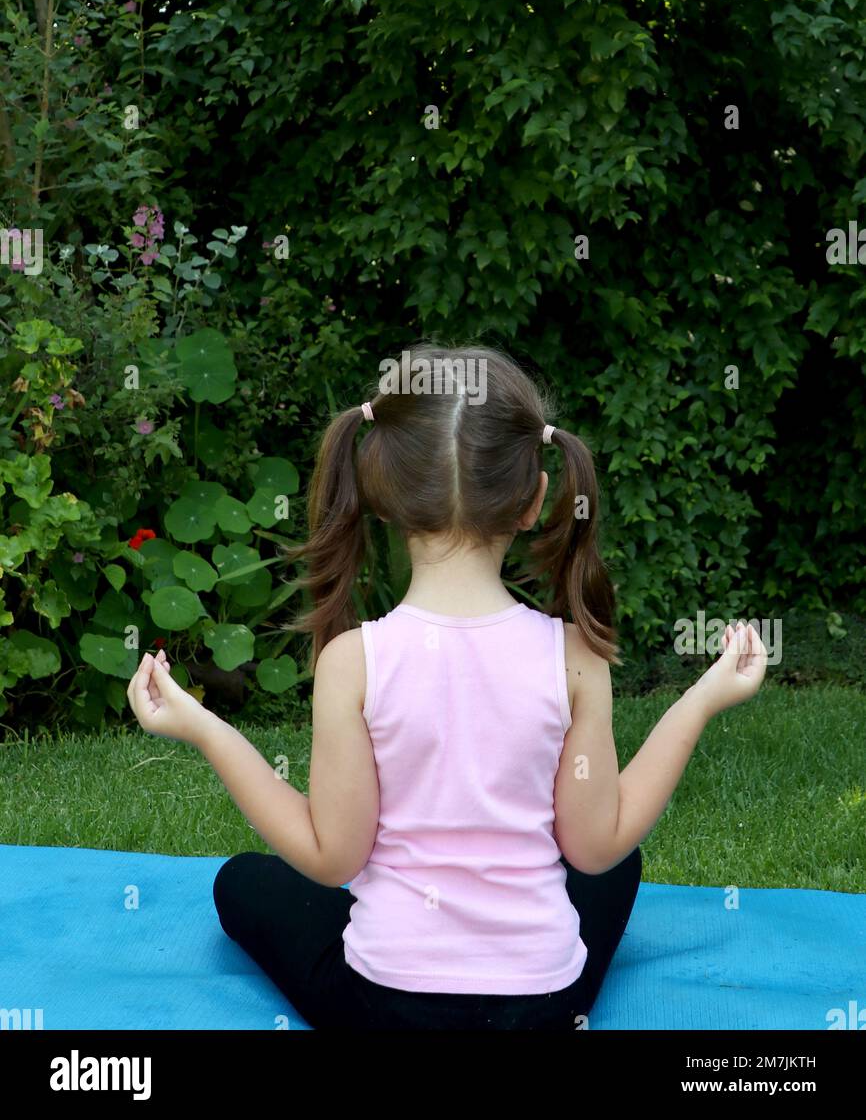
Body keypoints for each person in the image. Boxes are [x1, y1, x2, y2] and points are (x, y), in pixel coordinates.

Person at [127, 342, 767, 1031]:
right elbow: (596, 845)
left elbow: (331, 856)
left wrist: (203, 728)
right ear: (534, 499)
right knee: (615, 868)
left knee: (243, 882)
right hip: (540, 1006)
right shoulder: (574, 656)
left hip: (387, 1008)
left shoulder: (355, 660)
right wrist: (702, 699)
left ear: (384, 494)